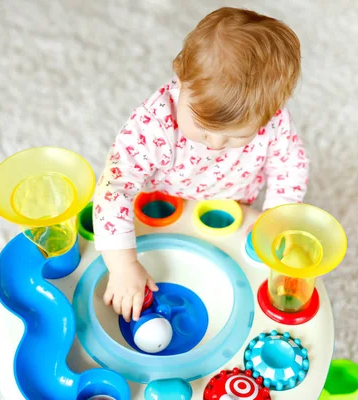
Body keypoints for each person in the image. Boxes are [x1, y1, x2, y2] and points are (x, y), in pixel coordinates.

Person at [92, 7, 309, 322]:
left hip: (230, 210)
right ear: (181, 78)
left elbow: (290, 166)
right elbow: (114, 187)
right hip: (161, 208)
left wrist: (274, 220)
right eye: (204, 128)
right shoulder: (155, 121)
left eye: (238, 136)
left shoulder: (273, 120)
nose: (216, 144)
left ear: (273, 110)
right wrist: (123, 266)